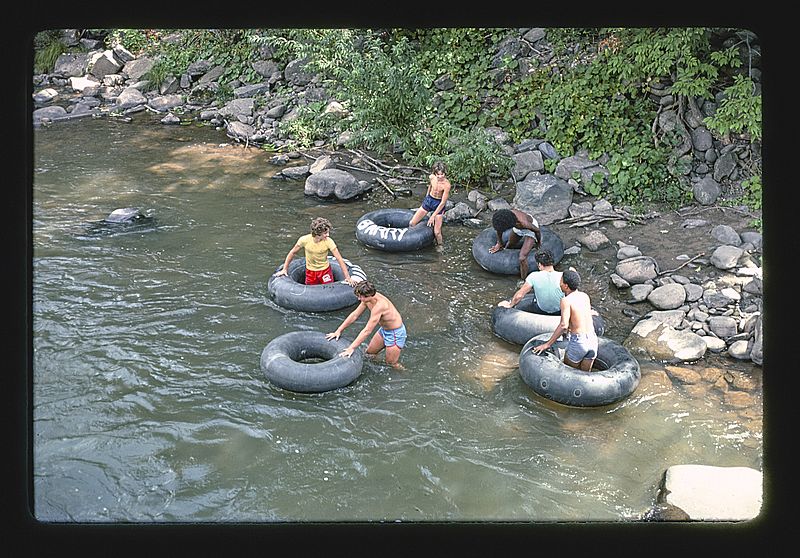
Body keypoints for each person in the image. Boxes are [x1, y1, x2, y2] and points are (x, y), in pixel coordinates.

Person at [326, 280, 406, 368]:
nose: (359, 299)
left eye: (361, 297)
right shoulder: (368, 299)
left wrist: (351, 348)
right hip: (384, 330)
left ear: (369, 295)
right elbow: (354, 315)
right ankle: (376, 367)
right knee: (370, 354)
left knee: (391, 364)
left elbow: (367, 331)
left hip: (395, 334)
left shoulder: (379, 306)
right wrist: (338, 330)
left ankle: (404, 372)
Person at [532, 269, 598, 371]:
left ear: (566, 286)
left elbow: (564, 325)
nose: (559, 283)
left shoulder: (566, 301)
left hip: (579, 343)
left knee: (567, 373)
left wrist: (547, 344)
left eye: (561, 281)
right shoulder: (585, 296)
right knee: (585, 375)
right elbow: (578, 318)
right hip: (593, 340)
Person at [275, 217, 357, 286]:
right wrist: (285, 269)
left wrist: (348, 278)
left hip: (325, 271)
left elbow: (339, 258)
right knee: (310, 293)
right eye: (325, 233)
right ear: (318, 234)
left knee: (330, 291)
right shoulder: (304, 240)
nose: (328, 235)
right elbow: (292, 252)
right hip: (310, 272)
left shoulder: (329, 241)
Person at [497, 249, 563, 314]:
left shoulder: (533, 276)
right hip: (559, 311)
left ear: (539, 264)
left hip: (540, 310)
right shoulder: (562, 276)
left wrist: (510, 305)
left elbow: (519, 295)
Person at [488, 208, 542, 279]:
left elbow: (537, 231)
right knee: (509, 245)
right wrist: (499, 244)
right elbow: (499, 230)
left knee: (522, 257)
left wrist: (538, 242)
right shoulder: (504, 218)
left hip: (530, 230)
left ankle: (523, 279)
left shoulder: (524, 223)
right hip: (517, 227)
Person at [409, 161, 451, 247]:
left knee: (437, 232)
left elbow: (443, 202)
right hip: (429, 200)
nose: (440, 177)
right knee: (412, 223)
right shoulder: (432, 177)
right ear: (435, 174)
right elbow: (430, 186)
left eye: (442, 174)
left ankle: (440, 246)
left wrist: (433, 216)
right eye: (438, 174)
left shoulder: (447, 185)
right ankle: (410, 241)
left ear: (445, 173)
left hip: (438, 203)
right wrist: (426, 196)